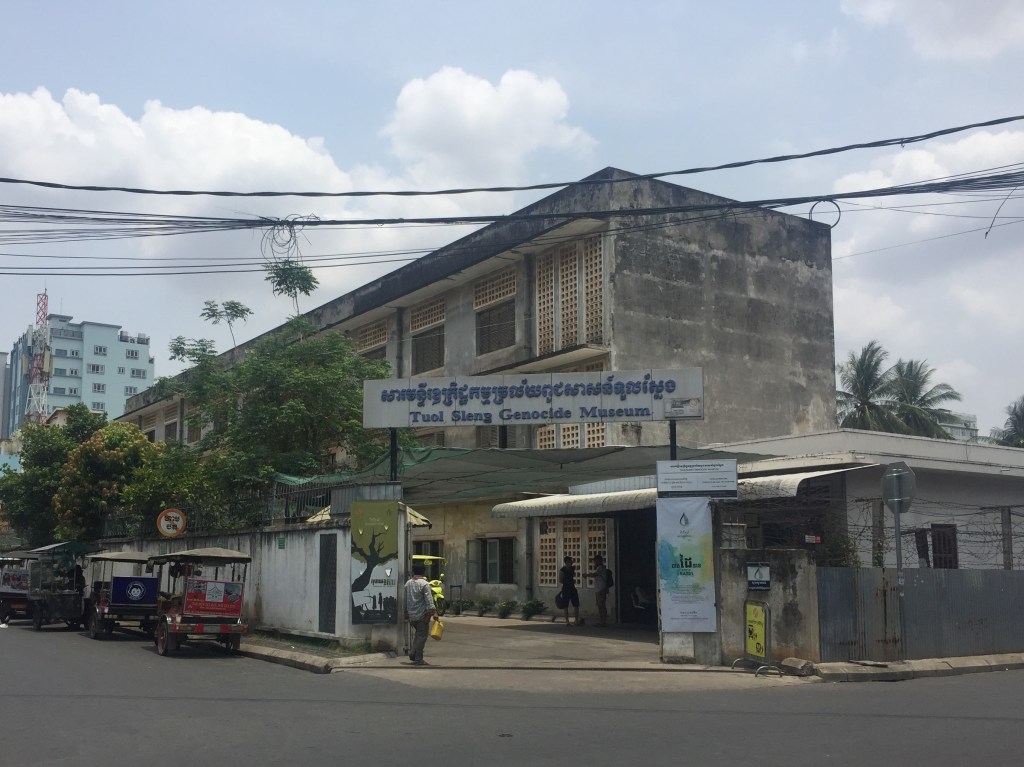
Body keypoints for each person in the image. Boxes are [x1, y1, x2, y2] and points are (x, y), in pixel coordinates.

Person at [403, 562, 438, 666]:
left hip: (411, 616)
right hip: (422, 616)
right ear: (424, 572)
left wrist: (405, 612)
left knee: (418, 636)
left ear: (413, 571)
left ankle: (413, 654)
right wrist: (434, 612)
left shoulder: (408, 583)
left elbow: (405, 600)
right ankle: (417, 658)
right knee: (422, 637)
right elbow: (429, 600)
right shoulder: (424, 584)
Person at [584, 555, 610, 627]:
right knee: (600, 605)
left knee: (601, 605)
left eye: (595, 561)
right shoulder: (600, 568)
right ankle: (602, 621)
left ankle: (603, 621)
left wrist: (586, 575)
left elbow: (595, 574)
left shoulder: (600, 568)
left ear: (598, 561)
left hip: (601, 589)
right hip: (599, 589)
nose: (594, 562)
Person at [558, 556, 581, 626]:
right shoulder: (562, 570)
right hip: (566, 588)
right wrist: (567, 582)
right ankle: (567, 621)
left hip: (572, 588)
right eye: (570, 561)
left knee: (576, 604)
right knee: (565, 605)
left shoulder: (572, 568)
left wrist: (572, 581)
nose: (572, 562)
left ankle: (576, 620)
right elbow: (560, 580)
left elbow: (572, 576)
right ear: (566, 562)